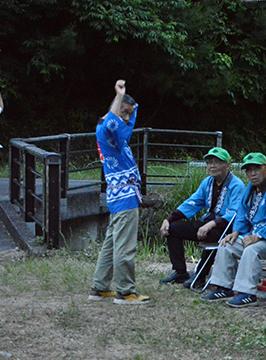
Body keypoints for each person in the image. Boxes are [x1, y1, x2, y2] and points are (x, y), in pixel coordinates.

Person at [201, 152, 266, 308]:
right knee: (226, 244)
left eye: (256, 169)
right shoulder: (250, 189)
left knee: (251, 250)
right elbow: (242, 213)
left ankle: (247, 293)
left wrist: (257, 236)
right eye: (248, 170)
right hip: (255, 234)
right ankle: (223, 287)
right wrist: (235, 233)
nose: (252, 174)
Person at [88, 80, 150, 305]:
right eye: (124, 112)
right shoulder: (107, 130)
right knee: (125, 245)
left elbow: (119, 122)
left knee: (112, 242)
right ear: (114, 109)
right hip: (124, 196)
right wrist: (118, 95)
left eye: (129, 114)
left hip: (119, 194)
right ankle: (125, 291)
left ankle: (100, 286)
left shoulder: (112, 132)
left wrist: (124, 106)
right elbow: (112, 122)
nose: (127, 118)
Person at [159, 147, 245, 286]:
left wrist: (211, 224)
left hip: (227, 228)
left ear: (227, 165)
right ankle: (180, 272)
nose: (212, 165)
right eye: (209, 162)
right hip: (207, 222)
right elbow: (192, 203)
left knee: (213, 234)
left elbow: (235, 213)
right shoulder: (207, 182)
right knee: (173, 229)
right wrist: (169, 219)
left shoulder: (237, 185)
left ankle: (200, 275)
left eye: (217, 162)